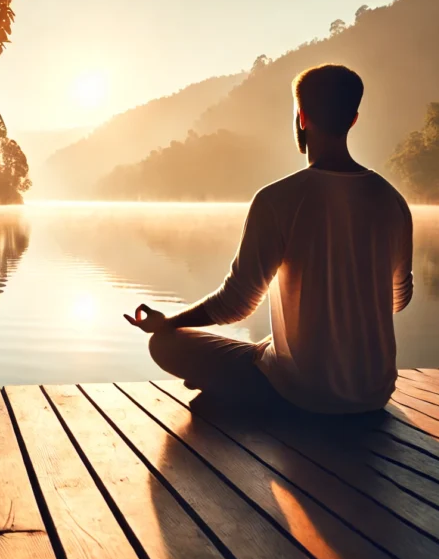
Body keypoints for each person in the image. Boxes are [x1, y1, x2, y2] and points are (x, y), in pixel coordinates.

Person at [125, 64, 413, 415]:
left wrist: (168, 322)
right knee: (268, 346)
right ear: (353, 119)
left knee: (166, 345)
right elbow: (397, 301)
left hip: (302, 394)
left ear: (302, 117)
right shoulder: (392, 200)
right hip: (373, 394)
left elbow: (237, 304)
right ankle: (236, 380)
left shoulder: (278, 199)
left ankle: (234, 388)